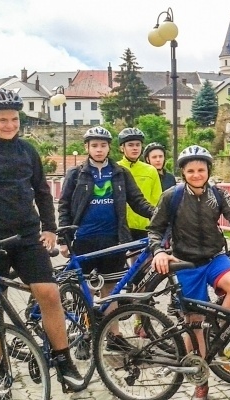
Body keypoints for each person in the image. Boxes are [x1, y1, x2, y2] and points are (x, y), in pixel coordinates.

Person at [0, 88, 85, 392]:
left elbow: (41, 192)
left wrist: (50, 229)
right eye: (3, 120)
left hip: (25, 236)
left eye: (14, 119)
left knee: (49, 294)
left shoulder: (27, 150)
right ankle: (1, 372)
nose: (10, 125)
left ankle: (64, 362)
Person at [149, 145, 230, 400]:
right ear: (183, 172)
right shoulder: (172, 196)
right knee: (193, 326)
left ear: (208, 171)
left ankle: (218, 333)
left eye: (201, 169)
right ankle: (200, 382)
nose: (196, 174)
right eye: (190, 170)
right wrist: (158, 251)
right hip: (186, 264)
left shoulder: (219, 194)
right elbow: (155, 229)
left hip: (215, 258)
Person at [58, 126, 154, 350]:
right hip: (84, 239)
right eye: (94, 145)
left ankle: (113, 336)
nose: (99, 149)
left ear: (109, 147)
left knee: (111, 288)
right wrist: (64, 238)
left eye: (102, 145)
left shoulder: (120, 173)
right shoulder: (76, 174)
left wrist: (161, 213)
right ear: (87, 147)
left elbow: (138, 201)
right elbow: (64, 206)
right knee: (86, 290)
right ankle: (84, 334)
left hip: (113, 239)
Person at [118, 127, 162, 241]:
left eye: (138, 145)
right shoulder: (116, 169)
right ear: (122, 147)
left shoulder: (150, 170)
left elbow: (157, 199)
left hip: (144, 226)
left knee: (141, 259)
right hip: (120, 226)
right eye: (130, 145)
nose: (135, 148)